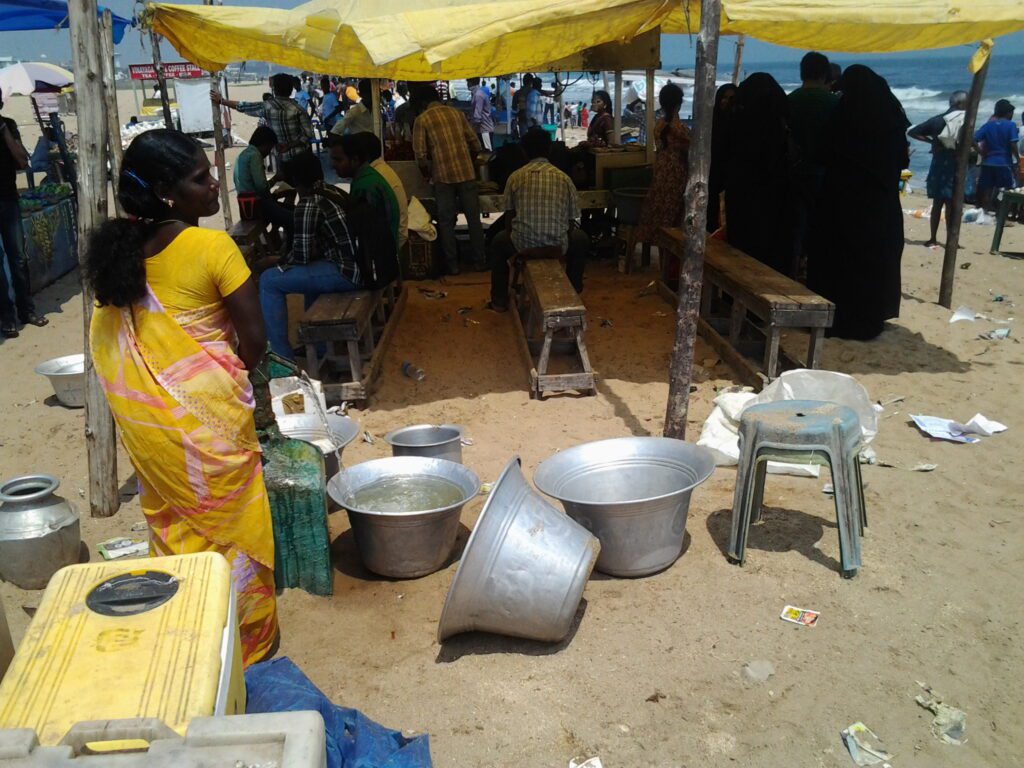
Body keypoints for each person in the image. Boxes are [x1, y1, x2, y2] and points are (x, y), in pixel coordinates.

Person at [84, 129, 276, 665]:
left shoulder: (119, 255)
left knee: (175, 531)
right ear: (167, 192)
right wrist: (216, 393)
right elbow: (256, 342)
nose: (215, 184)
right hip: (212, 436)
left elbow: (115, 348)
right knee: (230, 535)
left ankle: (190, 636)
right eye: (201, 178)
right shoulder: (213, 247)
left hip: (156, 438)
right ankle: (247, 647)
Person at [807, 65, 909, 340]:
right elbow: (903, 160)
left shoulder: (843, 116)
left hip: (840, 202)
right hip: (879, 205)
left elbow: (821, 152)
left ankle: (834, 319)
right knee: (872, 262)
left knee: (837, 260)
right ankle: (868, 319)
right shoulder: (892, 118)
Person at [260, 152, 361, 359]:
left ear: (295, 180)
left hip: (346, 273)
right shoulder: (331, 191)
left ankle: (281, 357)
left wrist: (275, 262)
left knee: (268, 281)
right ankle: (320, 348)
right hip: (359, 266)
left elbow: (301, 257)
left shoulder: (308, 203)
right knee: (308, 278)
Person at [490, 127, 587, 311]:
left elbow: (509, 219)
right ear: (549, 149)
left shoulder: (515, 177)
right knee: (580, 239)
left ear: (524, 151)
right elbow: (570, 222)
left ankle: (499, 301)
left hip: (523, 246)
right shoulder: (564, 178)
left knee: (498, 242)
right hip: (557, 247)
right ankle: (574, 291)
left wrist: (519, 241)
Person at [724, 73, 797, 275]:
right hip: (777, 198)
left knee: (743, 254)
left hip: (742, 198)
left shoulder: (738, 122)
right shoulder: (781, 125)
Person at [411, 81, 486, 274]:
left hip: (442, 178)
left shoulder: (422, 119)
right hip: (467, 174)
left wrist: (427, 174)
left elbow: (420, 156)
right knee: (473, 220)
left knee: (446, 223)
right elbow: (476, 145)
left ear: (422, 102)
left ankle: (452, 266)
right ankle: (480, 262)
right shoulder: (457, 114)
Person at [788, 52, 840, 276]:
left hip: (792, 175)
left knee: (795, 231)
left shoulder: (789, 101)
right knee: (823, 231)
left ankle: (792, 271)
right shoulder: (836, 104)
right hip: (827, 176)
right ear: (825, 74)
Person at [0, 86, 45, 338]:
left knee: (18, 258)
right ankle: (6, 317)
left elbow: (21, 161)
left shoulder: (9, 125)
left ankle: (26, 310)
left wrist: (4, 130)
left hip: (9, 201)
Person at [215, 74, 313, 172]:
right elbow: (308, 134)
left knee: (287, 185)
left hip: (283, 158)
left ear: (275, 89)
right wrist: (290, 145)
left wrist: (222, 101)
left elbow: (244, 106)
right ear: (291, 90)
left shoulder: (267, 107)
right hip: (302, 157)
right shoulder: (299, 109)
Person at [908, 90, 969, 246]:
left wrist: (932, 143)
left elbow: (913, 131)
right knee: (952, 204)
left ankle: (933, 237)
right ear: (960, 104)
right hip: (954, 164)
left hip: (938, 164)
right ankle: (951, 239)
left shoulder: (937, 120)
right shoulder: (963, 120)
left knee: (937, 203)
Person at [327, 133, 401, 256]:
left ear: (355, 160)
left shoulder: (366, 186)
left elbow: (365, 234)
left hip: (380, 259)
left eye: (338, 160)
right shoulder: (367, 176)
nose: (333, 165)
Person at [637, 84, 690, 247]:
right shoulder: (680, 129)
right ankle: (670, 257)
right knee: (674, 218)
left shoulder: (658, 125)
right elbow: (692, 150)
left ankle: (661, 253)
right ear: (679, 104)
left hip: (661, 172)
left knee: (659, 213)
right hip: (676, 175)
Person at [974, 99, 1020, 211]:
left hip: (988, 162)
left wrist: (980, 151)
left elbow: (972, 139)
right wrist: (1018, 159)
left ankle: (985, 212)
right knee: (1004, 190)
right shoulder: (1011, 125)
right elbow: (1013, 143)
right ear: (1008, 113)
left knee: (987, 189)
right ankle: (1000, 214)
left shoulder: (988, 125)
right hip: (1004, 163)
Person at [706, 83, 737, 233]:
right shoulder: (711, 122)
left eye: (731, 98)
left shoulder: (738, 124)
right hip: (712, 175)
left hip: (730, 177)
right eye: (724, 98)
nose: (727, 102)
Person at [468, 77, 494, 150]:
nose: (467, 84)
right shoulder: (479, 93)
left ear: (470, 83)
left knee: (488, 152)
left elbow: (477, 116)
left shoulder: (478, 95)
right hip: (482, 129)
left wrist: (470, 127)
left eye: (468, 82)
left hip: (484, 130)